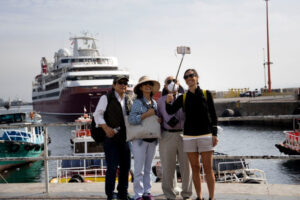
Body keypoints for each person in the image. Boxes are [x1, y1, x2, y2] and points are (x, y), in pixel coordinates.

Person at [165, 69, 218, 200]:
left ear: (197, 77)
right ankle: (199, 197)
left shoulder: (206, 94)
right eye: (186, 77)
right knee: (195, 168)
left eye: (191, 75)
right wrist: (168, 100)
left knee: (208, 169)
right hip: (188, 136)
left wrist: (214, 134)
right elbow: (171, 111)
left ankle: (212, 197)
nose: (189, 78)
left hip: (205, 134)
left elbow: (213, 115)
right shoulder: (183, 97)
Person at [93, 75, 133, 200]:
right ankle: (110, 194)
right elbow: (97, 115)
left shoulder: (128, 99)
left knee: (126, 167)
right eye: (120, 83)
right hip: (111, 138)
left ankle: (123, 193)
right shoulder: (106, 98)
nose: (123, 85)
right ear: (114, 85)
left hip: (125, 138)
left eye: (125, 83)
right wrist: (106, 129)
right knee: (112, 167)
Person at [157, 76, 193, 200]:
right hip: (167, 135)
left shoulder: (186, 98)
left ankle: (187, 193)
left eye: (175, 81)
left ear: (179, 83)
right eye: (169, 81)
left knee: (187, 166)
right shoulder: (160, 101)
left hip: (185, 134)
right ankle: (169, 194)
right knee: (167, 166)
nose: (172, 83)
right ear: (165, 85)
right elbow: (157, 118)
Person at [129, 76, 161, 200]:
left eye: (150, 84)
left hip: (152, 140)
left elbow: (156, 120)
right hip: (140, 140)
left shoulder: (155, 103)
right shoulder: (137, 102)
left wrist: (159, 119)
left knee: (147, 168)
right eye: (145, 84)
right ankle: (138, 194)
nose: (148, 86)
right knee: (138, 169)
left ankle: (147, 192)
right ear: (141, 87)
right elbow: (132, 120)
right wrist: (146, 115)